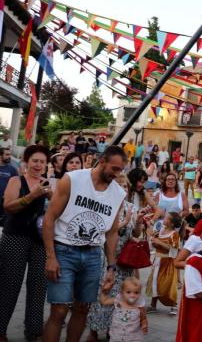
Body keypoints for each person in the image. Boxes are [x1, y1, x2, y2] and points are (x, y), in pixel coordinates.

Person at [41, 146, 128, 342]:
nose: (117, 174)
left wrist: (112, 267)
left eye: (121, 170)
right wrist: (50, 256)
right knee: (60, 310)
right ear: (102, 161)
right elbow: (50, 218)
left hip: (92, 255)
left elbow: (112, 232)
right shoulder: (73, 179)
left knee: (82, 309)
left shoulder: (118, 194)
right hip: (64, 250)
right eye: (114, 169)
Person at [86, 174, 145, 342]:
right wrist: (123, 223)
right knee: (101, 295)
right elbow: (102, 231)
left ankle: (116, 329)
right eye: (119, 186)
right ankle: (94, 330)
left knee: (121, 296)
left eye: (125, 186)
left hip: (125, 262)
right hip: (106, 259)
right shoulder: (105, 205)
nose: (123, 189)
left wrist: (139, 222)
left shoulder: (131, 207)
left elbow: (135, 233)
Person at [0, 145, 50, 341]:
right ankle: (1, 330)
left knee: (38, 287)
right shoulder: (16, 180)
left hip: (40, 241)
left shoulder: (48, 184)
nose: (38, 165)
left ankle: (34, 330)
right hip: (15, 238)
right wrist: (32, 195)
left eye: (42, 162)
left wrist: (52, 199)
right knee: (9, 285)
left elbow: (53, 213)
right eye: (35, 161)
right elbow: (8, 207)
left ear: (47, 165)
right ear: (27, 162)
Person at [146, 212, 181, 314]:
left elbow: (174, 251)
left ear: (172, 223)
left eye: (166, 218)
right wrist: (152, 240)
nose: (164, 219)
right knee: (154, 282)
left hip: (167, 263)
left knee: (168, 284)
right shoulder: (160, 231)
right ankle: (153, 305)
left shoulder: (174, 234)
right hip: (157, 261)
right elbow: (153, 246)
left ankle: (174, 305)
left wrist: (159, 242)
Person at [99, 277, 148, 342]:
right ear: (122, 293)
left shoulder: (139, 307)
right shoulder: (118, 301)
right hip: (116, 337)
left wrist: (144, 325)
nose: (132, 295)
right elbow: (104, 301)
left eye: (136, 292)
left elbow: (143, 318)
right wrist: (104, 292)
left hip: (133, 338)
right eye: (128, 292)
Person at [0, 147, 19, 227]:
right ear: (0, 155)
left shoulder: (12, 170)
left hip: (4, 203)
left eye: (10, 155)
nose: (9, 157)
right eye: (7, 155)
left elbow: (17, 184)